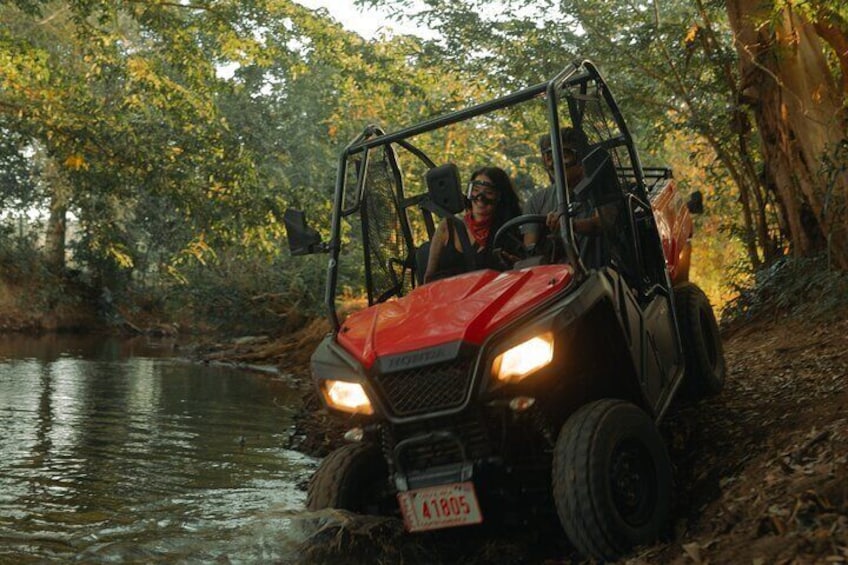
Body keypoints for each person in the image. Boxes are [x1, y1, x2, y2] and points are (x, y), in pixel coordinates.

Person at [524, 127, 617, 266]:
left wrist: (569, 226)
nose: (555, 165)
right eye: (549, 158)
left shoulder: (600, 188)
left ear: (580, 157)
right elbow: (530, 249)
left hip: (598, 276)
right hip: (556, 281)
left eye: (564, 156)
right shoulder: (536, 201)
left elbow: (602, 223)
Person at [424, 166, 522, 283]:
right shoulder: (447, 227)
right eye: (475, 190)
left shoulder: (507, 233)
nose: (480, 198)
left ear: (500, 197)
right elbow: (428, 278)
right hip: (447, 297)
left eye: (489, 192)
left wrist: (518, 265)